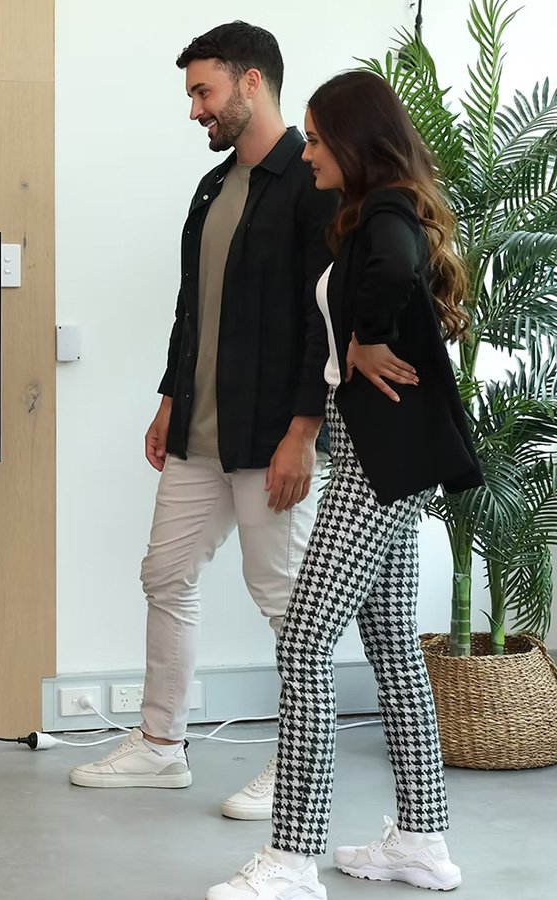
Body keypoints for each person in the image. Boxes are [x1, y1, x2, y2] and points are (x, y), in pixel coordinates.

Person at [207, 70, 483, 900]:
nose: (311, 151)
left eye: (321, 141)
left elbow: (394, 272)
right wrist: (358, 343)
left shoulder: (386, 211)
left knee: (303, 639)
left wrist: (362, 338)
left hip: (376, 467)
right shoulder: (379, 208)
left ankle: (292, 857)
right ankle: (422, 842)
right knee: (395, 649)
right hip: (388, 462)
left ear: (355, 144)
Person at [69, 21, 337, 822]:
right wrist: (168, 399)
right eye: (193, 94)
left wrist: (303, 431)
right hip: (199, 429)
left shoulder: (311, 186)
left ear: (251, 83)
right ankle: (160, 746)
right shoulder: (214, 187)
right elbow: (195, 308)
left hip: (272, 435)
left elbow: (321, 322)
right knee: (166, 574)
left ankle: (297, 768)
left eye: (203, 91)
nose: (195, 109)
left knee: (286, 600)